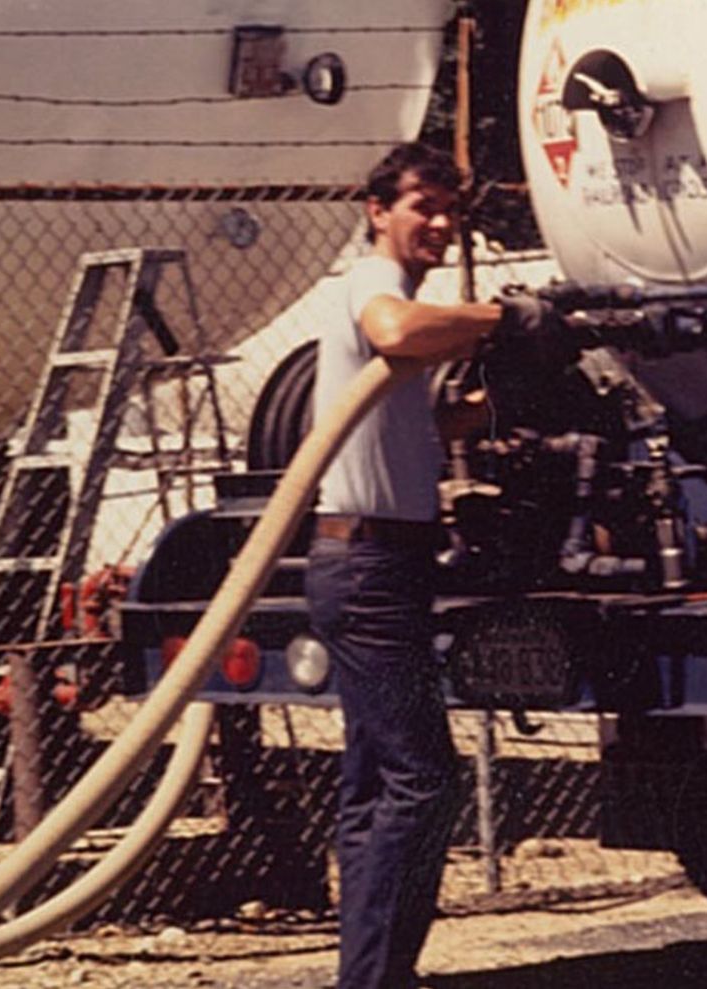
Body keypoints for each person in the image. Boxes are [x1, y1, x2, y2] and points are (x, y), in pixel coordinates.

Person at [304, 142, 505, 989]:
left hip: (380, 563)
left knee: (375, 787)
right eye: (424, 205)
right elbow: (392, 331)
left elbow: (415, 426)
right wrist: (500, 318)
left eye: (450, 209)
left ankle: (370, 974)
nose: (440, 222)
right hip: (368, 566)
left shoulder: (405, 298)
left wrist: (495, 402)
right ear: (378, 210)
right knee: (425, 782)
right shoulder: (372, 280)